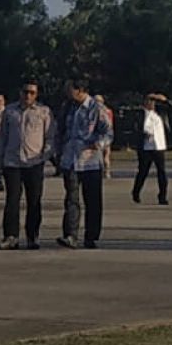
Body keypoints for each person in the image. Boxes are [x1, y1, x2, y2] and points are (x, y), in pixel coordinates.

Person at [0, 81, 54, 250]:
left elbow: (50, 137)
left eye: (32, 93)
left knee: (34, 201)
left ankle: (32, 235)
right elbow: (2, 138)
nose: (28, 96)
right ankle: (10, 236)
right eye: (26, 92)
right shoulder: (9, 112)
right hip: (12, 162)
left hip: (34, 162)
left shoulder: (44, 112)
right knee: (12, 200)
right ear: (20, 92)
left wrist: (45, 155)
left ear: (37, 94)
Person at [56, 78, 113, 250]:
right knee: (71, 200)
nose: (67, 93)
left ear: (80, 90)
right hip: (70, 161)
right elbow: (61, 131)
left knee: (93, 201)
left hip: (90, 161)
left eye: (70, 89)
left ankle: (91, 236)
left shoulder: (97, 109)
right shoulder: (68, 108)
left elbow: (108, 132)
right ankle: (70, 235)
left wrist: (99, 144)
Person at [132, 93, 172, 206]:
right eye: (149, 101)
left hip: (159, 146)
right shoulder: (140, 114)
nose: (151, 104)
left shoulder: (160, 113)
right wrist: (143, 135)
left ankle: (162, 196)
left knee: (161, 172)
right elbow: (136, 129)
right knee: (143, 171)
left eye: (153, 102)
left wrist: (165, 100)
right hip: (146, 147)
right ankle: (136, 192)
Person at [94, 94, 115, 178]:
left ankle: (101, 171)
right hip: (108, 135)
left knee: (98, 155)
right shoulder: (108, 111)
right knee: (106, 155)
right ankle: (107, 171)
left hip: (99, 136)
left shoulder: (95, 111)